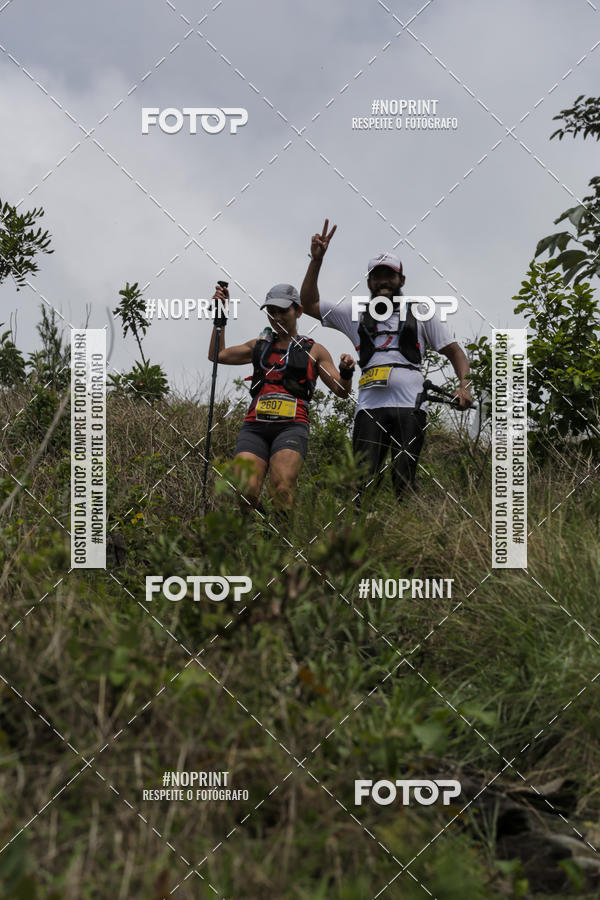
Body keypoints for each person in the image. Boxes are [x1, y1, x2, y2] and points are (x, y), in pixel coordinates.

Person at [300, 219, 473, 501]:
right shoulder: (354, 313)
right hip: (370, 408)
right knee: (362, 482)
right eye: (377, 276)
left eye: (390, 276)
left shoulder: (421, 312)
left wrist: (465, 386)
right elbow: (308, 304)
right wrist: (316, 260)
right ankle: (359, 527)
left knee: (404, 478)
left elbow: (455, 352)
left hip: (411, 406)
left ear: (401, 280)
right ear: (369, 282)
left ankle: (409, 528)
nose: (383, 281)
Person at [208, 281, 355, 513]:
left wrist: (346, 372)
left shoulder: (314, 350)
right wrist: (221, 316)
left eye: (283, 311)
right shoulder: (259, 346)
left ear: (298, 311)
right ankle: (259, 527)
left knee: (282, 489)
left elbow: (342, 391)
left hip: (291, 427)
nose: (276, 317)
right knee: (244, 490)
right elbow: (218, 355)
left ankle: (282, 534)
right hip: (255, 427)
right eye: (271, 311)